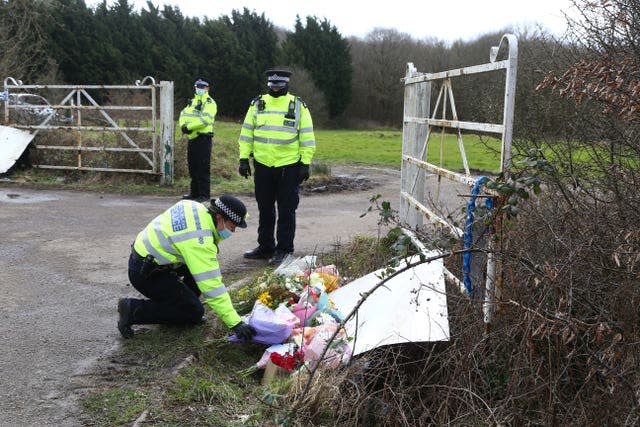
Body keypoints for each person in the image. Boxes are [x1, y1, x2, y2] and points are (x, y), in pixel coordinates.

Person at [117, 194, 257, 342]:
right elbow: (212, 286)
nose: (233, 231)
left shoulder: (193, 206)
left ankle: (181, 305)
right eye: (232, 226)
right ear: (219, 217)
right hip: (146, 275)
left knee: (194, 284)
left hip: (148, 259)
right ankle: (132, 309)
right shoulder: (199, 240)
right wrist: (236, 323)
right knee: (194, 312)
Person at [238, 68, 316, 265]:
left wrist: (305, 163)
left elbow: (307, 136)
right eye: (272, 85)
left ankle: (284, 250)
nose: (275, 88)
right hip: (263, 165)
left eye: (279, 85)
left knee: (286, 209)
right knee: (264, 208)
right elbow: (247, 133)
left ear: (286, 85)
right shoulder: (257, 104)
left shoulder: (298, 106)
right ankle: (265, 247)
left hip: (288, 166)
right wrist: (243, 159)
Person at [178, 77, 217, 202]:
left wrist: (189, 126)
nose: (200, 89)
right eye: (198, 87)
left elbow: (206, 120)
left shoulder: (210, 103)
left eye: (202, 87)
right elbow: (183, 114)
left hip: (203, 139)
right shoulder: (192, 102)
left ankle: (204, 195)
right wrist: (183, 126)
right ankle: (194, 193)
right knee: (193, 167)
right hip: (192, 138)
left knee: (202, 168)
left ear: (207, 88)